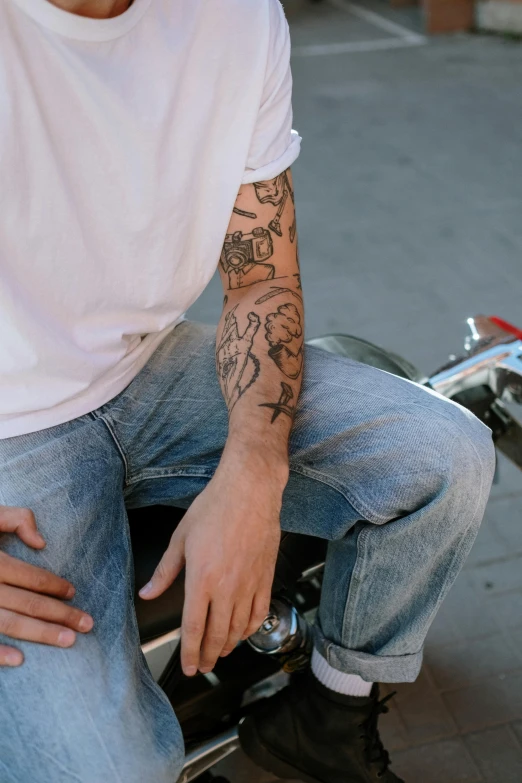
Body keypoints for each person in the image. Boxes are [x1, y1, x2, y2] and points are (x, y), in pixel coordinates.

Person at [0, 0, 495, 781]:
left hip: (147, 368)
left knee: (446, 456)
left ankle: (329, 713)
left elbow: (259, 278)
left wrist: (255, 470)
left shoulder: (236, 17)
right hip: (11, 440)